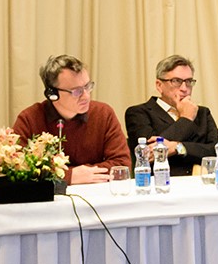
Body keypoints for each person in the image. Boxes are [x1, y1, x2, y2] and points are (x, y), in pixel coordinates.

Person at [11, 54, 132, 185]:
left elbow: (122, 165)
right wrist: (68, 176)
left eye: (88, 87)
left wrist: (84, 174)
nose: (86, 96)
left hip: (96, 193)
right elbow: (17, 169)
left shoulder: (103, 113)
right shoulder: (29, 119)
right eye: (77, 91)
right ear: (52, 94)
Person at [124, 54, 218, 175]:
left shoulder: (202, 113)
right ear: (159, 85)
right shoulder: (138, 113)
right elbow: (150, 153)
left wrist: (178, 147)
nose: (184, 88)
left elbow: (216, 151)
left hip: (201, 180)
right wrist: (186, 118)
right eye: (176, 81)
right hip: (161, 181)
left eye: (188, 81)